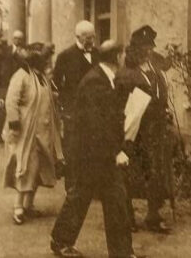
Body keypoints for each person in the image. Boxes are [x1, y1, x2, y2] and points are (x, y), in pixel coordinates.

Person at [50, 40, 141, 258]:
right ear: (117, 57)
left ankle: (119, 252)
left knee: (108, 199)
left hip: (96, 153)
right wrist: (116, 152)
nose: (124, 58)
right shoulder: (95, 82)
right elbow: (97, 125)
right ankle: (62, 242)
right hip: (91, 155)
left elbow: (108, 117)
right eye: (122, 54)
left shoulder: (104, 78)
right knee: (85, 197)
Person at [115, 25, 173, 234]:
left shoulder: (155, 70)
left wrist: (164, 113)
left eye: (151, 46)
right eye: (145, 47)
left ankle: (153, 215)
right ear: (136, 49)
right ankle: (126, 215)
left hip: (155, 131)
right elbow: (121, 104)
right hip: (136, 130)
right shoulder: (127, 73)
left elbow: (160, 95)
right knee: (131, 172)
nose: (149, 51)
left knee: (155, 172)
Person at [2, 43, 63, 225]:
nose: (48, 62)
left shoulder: (42, 77)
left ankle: (29, 204)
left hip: (43, 132)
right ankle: (18, 206)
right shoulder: (21, 76)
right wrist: (14, 123)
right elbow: (11, 100)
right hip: (26, 130)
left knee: (38, 168)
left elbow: (45, 97)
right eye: (45, 59)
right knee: (25, 166)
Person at [53, 20, 99, 191]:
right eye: (88, 37)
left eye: (93, 36)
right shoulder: (65, 56)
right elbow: (55, 84)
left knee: (93, 147)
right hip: (74, 111)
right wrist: (64, 107)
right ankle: (71, 186)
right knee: (73, 149)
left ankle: (92, 187)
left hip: (95, 110)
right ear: (78, 36)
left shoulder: (98, 54)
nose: (92, 40)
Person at [0, 30, 27, 100]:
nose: (17, 40)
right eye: (15, 38)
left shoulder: (25, 51)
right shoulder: (6, 50)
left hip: (20, 79)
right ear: (12, 39)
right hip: (8, 78)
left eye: (20, 39)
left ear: (22, 40)